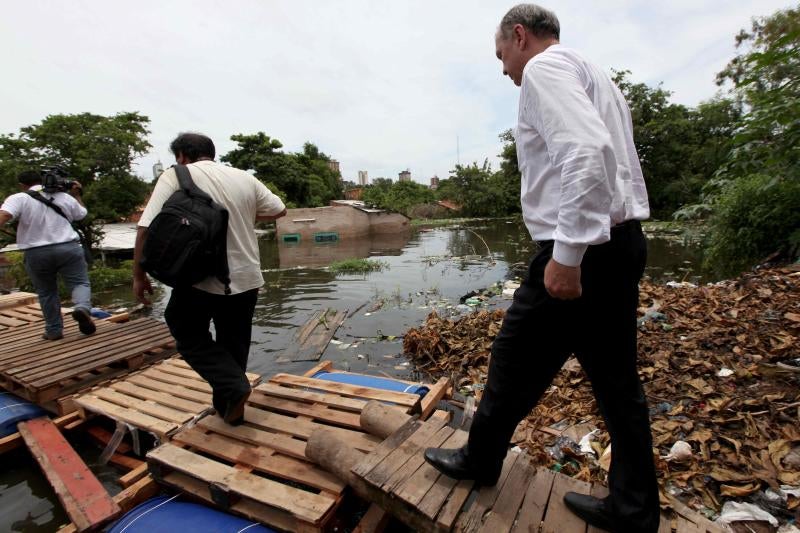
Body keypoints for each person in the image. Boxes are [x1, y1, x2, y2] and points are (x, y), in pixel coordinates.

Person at [424, 4, 658, 532]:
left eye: (501, 54)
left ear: (520, 36)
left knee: (512, 357)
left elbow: (586, 150)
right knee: (616, 382)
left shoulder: (545, 69)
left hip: (582, 248)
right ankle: (634, 508)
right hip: (618, 242)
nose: (504, 68)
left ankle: (480, 461)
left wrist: (568, 255)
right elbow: (607, 156)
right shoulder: (590, 72)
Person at [133, 132, 286, 425]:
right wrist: (245, 213)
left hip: (199, 278)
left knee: (186, 332)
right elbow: (280, 210)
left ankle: (235, 389)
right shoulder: (244, 177)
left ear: (181, 156)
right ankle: (229, 410)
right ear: (211, 153)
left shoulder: (176, 175)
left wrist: (139, 275)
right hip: (247, 278)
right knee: (234, 344)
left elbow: (145, 228)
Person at [0, 169, 96, 340]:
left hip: (37, 252)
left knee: (47, 292)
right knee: (79, 282)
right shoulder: (64, 197)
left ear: (22, 185)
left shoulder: (19, 198)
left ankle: (54, 330)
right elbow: (82, 214)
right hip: (68, 248)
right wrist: (77, 194)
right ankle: (82, 307)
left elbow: (5, 215)